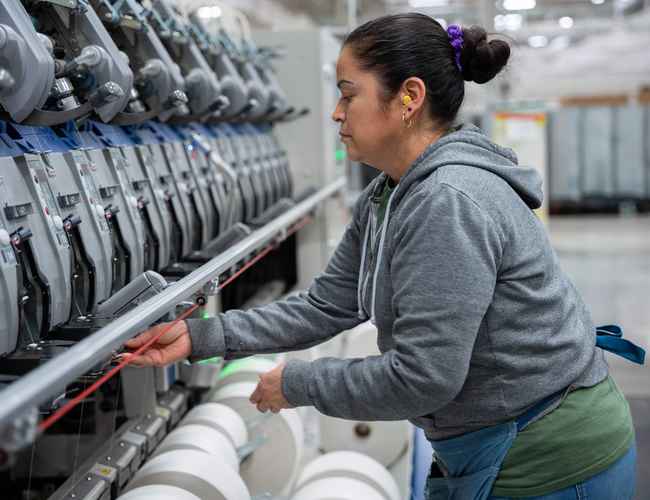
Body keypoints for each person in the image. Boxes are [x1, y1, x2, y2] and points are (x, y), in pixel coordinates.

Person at [125, 13, 639, 500]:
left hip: (550, 460)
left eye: (349, 94)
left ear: (408, 98)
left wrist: (300, 383)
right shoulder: (390, 193)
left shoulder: (447, 200)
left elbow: (423, 378)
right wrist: (201, 336)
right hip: (495, 439)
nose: (335, 111)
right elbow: (329, 305)